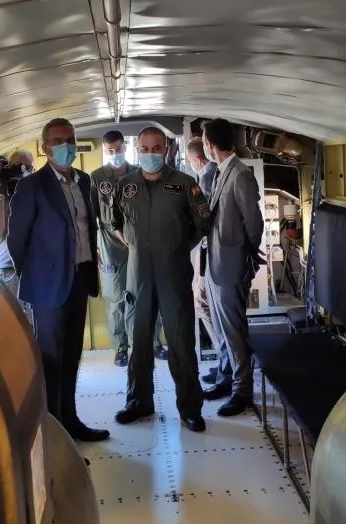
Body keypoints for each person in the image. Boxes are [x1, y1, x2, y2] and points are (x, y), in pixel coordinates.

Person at [7, 118, 109, 443]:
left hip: (79, 277)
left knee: (71, 356)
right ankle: (54, 439)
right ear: (45, 147)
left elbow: (87, 228)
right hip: (47, 285)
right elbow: (16, 240)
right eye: (58, 141)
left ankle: (71, 421)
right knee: (51, 359)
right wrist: (35, 277)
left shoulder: (84, 182)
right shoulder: (31, 187)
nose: (65, 146)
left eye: (70, 139)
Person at [111, 126, 211, 432]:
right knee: (139, 341)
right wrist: (139, 247)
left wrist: (176, 246)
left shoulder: (185, 184)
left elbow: (202, 223)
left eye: (157, 148)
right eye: (145, 148)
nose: (150, 154)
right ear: (136, 149)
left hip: (173, 274)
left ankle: (190, 408)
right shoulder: (125, 185)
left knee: (181, 341)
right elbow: (115, 222)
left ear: (166, 149)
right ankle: (138, 401)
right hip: (138, 275)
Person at [201, 118, 265, 417]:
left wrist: (245, 252)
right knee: (224, 329)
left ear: (209, 144)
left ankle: (243, 390)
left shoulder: (240, 174)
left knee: (234, 330)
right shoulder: (219, 173)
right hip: (215, 264)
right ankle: (226, 378)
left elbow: (254, 224)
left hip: (230, 264)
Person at [91, 130, 167, 368]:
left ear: (126, 147)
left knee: (147, 293)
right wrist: (94, 249)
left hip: (139, 241)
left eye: (119, 150)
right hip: (109, 244)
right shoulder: (96, 178)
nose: (116, 155)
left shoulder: (139, 172)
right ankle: (121, 348)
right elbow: (90, 215)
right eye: (110, 151)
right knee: (116, 298)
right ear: (105, 151)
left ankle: (153, 342)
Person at [184, 137, 220, 370]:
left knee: (202, 303)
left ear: (197, 159)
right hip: (210, 251)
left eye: (190, 161)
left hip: (208, 250)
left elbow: (204, 218)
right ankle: (224, 357)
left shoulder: (206, 177)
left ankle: (223, 354)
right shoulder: (216, 172)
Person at [0, 150, 35, 321]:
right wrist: (0, 198)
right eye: (19, 167)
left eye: (28, 168)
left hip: (33, 268)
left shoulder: (38, 191)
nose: (24, 171)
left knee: (34, 322)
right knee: (12, 321)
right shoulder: (1, 194)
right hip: (7, 269)